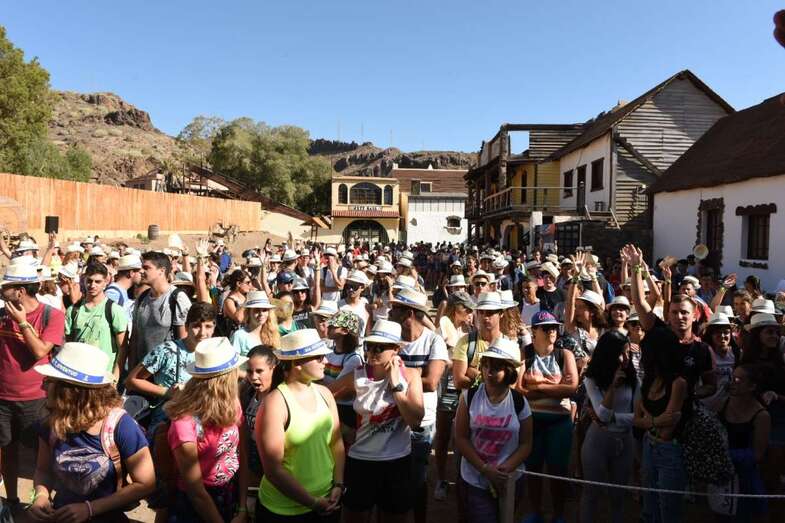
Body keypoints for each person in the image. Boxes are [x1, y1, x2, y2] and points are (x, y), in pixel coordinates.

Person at [29, 342, 155, 522]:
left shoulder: (121, 426)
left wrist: (90, 509)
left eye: (49, 381)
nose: (43, 387)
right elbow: (43, 470)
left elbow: (146, 483)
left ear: (71, 392)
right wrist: (40, 496)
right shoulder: (50, 423)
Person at [330, 320, 424, 523]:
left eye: (379, 348)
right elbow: (325, 398)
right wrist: (343, 429)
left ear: (396, 350)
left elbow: (415, 420)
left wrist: (396, 384)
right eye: (368, 346)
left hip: (397, 461)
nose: (371, 353)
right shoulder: (358, 375)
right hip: (361, 460)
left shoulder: (411, 376)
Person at [256, 329, 344, 522]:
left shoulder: (325, 394)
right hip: (284, 512)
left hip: (327, 501)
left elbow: (336, 443)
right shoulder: (275, 404)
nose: (326, 361)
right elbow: (273, 470)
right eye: (319, 357)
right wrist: (312, 502)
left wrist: (338, 484)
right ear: (297, 363)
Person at [0, 263, 65, 509]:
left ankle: (45, 503)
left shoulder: (52, 315)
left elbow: (39, 351)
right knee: (8, 451)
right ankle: (13, 500)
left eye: (6, 287)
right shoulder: (1, 315)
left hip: (36, 398)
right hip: (3, 397)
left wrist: (22, 322)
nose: (2, 291)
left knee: (44, 454)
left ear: (20, 292)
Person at [165, 337, 250, 522]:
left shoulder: (232, 403)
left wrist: (242, 508)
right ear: (225, 378)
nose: (240, 374)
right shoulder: (184, 424)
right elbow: (195, 492)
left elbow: (241, 453)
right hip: (197, 507)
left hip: (230, 494)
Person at [455, 337, 533, 523]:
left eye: (496, 367)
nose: (489, 371)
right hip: (475, 479)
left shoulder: (519, 402)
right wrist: (484, 468)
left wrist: (505, 468)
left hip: (510, 478)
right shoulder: (469, 398)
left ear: (508, 371)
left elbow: (526, 443)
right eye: (486, 365)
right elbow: (461, 438)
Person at [388, 287, 448, 523]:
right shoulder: (390, 339)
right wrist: (413, 377)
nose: (390, 312)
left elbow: (432, 382)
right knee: (394, 478)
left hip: (421, 422)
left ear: (409, 313)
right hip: (392, 417)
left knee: (417, 479)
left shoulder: (434, 341)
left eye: (396, 308)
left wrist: (395, 379)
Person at [519, 311, 578, 523]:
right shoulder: (525, 353)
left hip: (559, 421)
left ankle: (558, 513)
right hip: (532, 421)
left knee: (557, 468)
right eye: (546, 328)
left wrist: (537, 385)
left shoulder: (565, 355)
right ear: (534, 331)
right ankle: (536, 511)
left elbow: (572, 388)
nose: (552, 331)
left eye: (554, 327)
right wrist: (555, 386)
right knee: (533, 468)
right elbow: (519, 389)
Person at [125, 302, 218, 430]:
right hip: (167, 423)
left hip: (203, 424)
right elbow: (132, 380)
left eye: (208, 326)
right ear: (186, 327)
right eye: (196, 326)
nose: (202, 332)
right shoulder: (167, 350)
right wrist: (167, 392)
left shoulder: (216, 353)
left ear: (214, 328)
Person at [579, 331, 638, 523]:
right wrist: (613, 387)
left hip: (625, 441)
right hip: (598, 440)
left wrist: (615, 419)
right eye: (622, 353)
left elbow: (639, 416)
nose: (626, 358)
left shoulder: (634, 380)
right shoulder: (592, 380)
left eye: (629, 353)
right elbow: (603, 414)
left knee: (618, 496)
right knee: (591, 494)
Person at [633, 327, 688, 523]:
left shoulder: (678, 383)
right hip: (649, 444)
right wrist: (656, 421)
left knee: (668, 506)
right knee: (649, 503)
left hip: (670, 450)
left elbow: (667, 432)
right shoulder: (648, 379)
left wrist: (648, 419)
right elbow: (636, 419)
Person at [740, 313, 785, 518]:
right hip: (751, 424)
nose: (774, 336)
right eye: (769, 332)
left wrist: (777, 395)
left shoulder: (781, 363)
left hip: (778, 422)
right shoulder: (746, 364)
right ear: (758, 335)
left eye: (776, 332)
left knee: (773, 472)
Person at [433, 290, 475, 501]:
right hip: (447, 385)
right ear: (455, 307)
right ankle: (441, 479)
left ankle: (461, 479)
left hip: (464, 386)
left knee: (464, 435)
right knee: (443, 434)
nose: (469, 313)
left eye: (470, 309)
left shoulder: (466, 329)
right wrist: (460, 365)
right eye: (466, 309)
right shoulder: (445, 324)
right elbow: (439, 358)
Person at [716, 364, 771, 523]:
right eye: (732, 378)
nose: (732, 382)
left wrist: (724, 456)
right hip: (722, 477)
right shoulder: (724, 404)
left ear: (752, 386)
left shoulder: (761, 416)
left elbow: (758, 454)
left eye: (738, 379)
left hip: (746, 480)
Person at [65, 262, 128, 382]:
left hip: (103, 376)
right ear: (84, 281)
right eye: (89, 281)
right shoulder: (73, 310)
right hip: (78, 375)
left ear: (106, 282)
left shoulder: (114, 310)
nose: (92, 285)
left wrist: (115, 378)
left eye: (97, 281)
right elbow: (69, 345)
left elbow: (123, 348)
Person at [129, 251, 192, 371]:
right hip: (141, 374)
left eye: (146, 267)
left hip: (166, 374)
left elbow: (184, 342)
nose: (141, 271)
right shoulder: (142, 298)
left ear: (161, 271)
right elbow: (134, 339)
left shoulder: (177, 298)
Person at [321, 310, 363, 443]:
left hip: (344, 414)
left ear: (345, 331)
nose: (328, 326)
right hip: (327, 406)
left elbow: (337, 392)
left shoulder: (354, 359)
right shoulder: (327, 353)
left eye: (333, 326)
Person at [240, 345, 277, 485]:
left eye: (259, 371)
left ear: (273, 368)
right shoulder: (247, 393)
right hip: (250, 458)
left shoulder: (279, 398)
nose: (254, 377)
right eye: (249, 371)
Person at [231, 291, 280, 357]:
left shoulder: (273, 333)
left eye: (264, 310)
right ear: (248, 312)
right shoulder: (239, 335)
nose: (261, 314)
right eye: (257, 310)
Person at [221, 269, 252, 336]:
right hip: (236, 337)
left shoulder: (245, 297)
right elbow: (239, 319)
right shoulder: (229, 301)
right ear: (238, 284)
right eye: (248, 282)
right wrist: (248, 299)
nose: (250, 285)